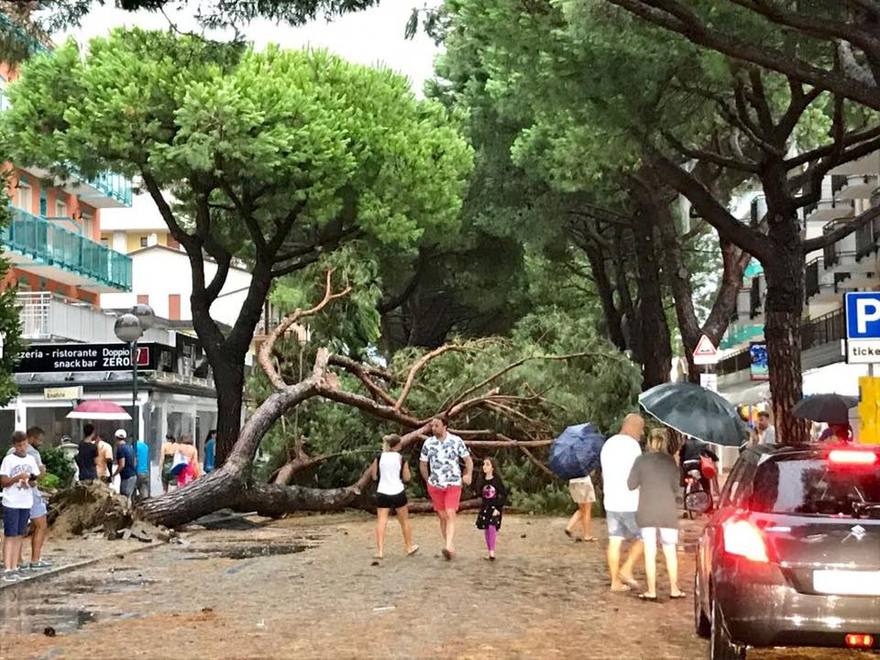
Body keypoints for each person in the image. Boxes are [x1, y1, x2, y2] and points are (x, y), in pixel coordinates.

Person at [628, 429, 685, 601]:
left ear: (649, 441)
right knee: (670, 551)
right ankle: (674, 589)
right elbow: (676, 488)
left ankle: (651, 590)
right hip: (667, 511)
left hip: (647, 510)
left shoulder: (641, 460)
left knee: (650, 551)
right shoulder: (670, 462)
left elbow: (631, 485)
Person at [599, 413, 646, 592]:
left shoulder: (608, 444)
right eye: (640, 430)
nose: (641, 435)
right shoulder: (632, 446)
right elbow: (637, 474)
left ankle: (614, 582)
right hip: (630, 501)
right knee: (645, 537)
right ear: (634, 427)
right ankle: (626, 569)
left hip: (611, 500)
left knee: (615, 541)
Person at [419, 417, 473, 560]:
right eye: (432, 426)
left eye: (437, 425)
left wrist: (468, 474)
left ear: (445, 426)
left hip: (453, 483)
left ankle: (448, 545)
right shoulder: (428, 443)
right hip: (435, 484)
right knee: (443, 517)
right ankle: (449, 545)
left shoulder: (456, 441)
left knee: (450, 513)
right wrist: (428, 481)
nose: (434, 428)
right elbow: (423, 464)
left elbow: (468, 460)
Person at [4, 426, 52, 571]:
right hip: (25, 497)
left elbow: (31, 478)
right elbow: (38, 476)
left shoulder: (12, 454)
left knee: (17, 533)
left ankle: (15, 562)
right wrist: (41, 471)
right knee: (39, 525)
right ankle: (34, 559)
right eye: (39, 439)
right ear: (31, 438)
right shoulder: (32, 454)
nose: (41, 443)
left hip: (20, 498)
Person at [369, 434, 419, 561]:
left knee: (381, 521)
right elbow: (407, 477)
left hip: (383, 491)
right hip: (398, 491)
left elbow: (374, 476)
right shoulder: (401, 459)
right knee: (404, 521)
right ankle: (408, 546)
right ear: (397, 445)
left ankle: (380, 550)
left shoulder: (379, 458)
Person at [1, 431, 40, 582]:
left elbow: (34, 480)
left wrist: (29, 482)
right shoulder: (8, 460)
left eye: (24, 445)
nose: (22, 448)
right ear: (14, 446)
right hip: (11, 501)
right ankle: (8, 567)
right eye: (19, 445)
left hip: (25, 501)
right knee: (10, 535)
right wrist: (18, 477)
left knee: (19, 534)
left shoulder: (30, 459)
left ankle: (15, 566)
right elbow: (4, 482)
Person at [475, 457, 508, 561]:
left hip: (495, 507)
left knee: (492, 526)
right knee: (486, 528)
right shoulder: (481, 480)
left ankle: (492, 551)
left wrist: (498, 507)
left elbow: (504, 494)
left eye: (487, 464)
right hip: (485, 507)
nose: (485, 466)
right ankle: (489, 550)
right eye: (484, 464)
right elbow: (479, 492)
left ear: (493, 467)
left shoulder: (497, 480)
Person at [679, 436, 719, 512]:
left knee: (686, 481)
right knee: (705, 484)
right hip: (697, 465)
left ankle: (685, 504)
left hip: (687, 466)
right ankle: (709, 507)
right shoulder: (702, 443)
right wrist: (715, 458)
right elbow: (710, 453)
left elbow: (681, 455)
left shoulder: (686, 443)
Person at [564, 473, 597, 542]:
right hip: (584, 482)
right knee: (587, 510)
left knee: (582, 510)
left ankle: (569, 527)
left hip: (573, 483)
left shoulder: (569, 462)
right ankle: (587, 535)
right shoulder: (583, 463)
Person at [112, 430, 138, 499]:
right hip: (133, 476)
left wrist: (114, 475)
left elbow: (122, 465)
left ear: (116, 438)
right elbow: (135, 462)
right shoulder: (130, 447)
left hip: (126, 478)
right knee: (128, 498)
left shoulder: (120, 449)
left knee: (124, 499)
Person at [134, 433, 150, 500]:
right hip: (145, 471)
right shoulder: (145, 446)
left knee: (132, 492)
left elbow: (135, 460)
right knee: (144, 494)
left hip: (137, 472)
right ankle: (146, 507)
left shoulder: (134, 446)